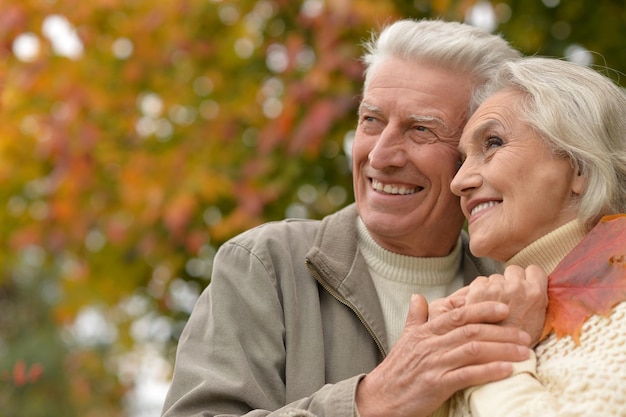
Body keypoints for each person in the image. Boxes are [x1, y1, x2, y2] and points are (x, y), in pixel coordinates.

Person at [161, 19, 542, 417]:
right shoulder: (264, 266)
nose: (379, 156)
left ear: (478, 152)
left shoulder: (518, 286)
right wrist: (370, 401)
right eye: (371, 121)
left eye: (420, 129)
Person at [442, 56, 626, 416]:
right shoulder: (484, 312)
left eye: (492, 143)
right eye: (462, 160)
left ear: (579, 166)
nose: (458, 182)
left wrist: (499, 354)